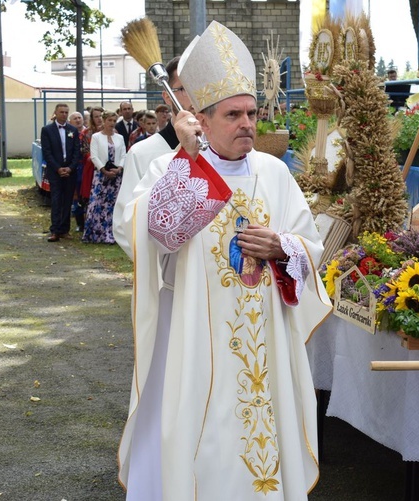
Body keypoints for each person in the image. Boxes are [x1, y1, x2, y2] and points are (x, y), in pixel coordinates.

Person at [114, 21, 331, 500]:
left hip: (266, 341)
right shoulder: (171, 167)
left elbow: (311, 247)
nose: (247, 124)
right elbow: (150, 235)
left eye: (252, 113)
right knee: (201, 437)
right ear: (202, 119)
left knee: (261, 436)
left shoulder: (275, 173)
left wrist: (282, 248)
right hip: (195, 337)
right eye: (233, 115)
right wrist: (188, 163)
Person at [113, 56, 191, 256]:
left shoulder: (222, 149)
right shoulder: (142, 153)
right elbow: (125, 225)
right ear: (167, 97)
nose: (195, 96)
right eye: (184, 89)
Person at [81, 110, 126, 244]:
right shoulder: (96, 137)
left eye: (114, 121)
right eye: (109, 121)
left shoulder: (120, 138)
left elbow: (124, 154)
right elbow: (94, 156)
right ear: (104, 121)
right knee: (97, 203)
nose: (112, 123)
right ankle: (95, 233)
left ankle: (113, 234)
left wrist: (119, 168)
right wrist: (103, 170)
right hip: (101, 175)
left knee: (113, 204)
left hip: (116, 175)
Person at [40, 103, 81, 242]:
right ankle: (55, 230)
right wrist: (58, 168)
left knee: (68, 200)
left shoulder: (73, 130)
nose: (63, 114)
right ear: (55, 113)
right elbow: (46, 152)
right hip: (55, 170)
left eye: (66, 112)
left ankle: (65, 229)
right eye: (61, 112)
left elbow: (77, 151)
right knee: (56, 200)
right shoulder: (47, 130)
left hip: (70, 170)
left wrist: (70, 168)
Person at [77, 106, 104, 231]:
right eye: (96, 116)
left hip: (108, 169)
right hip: (91, 170)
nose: (99, 119)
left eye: (101, 116)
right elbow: (84, 151)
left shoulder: (113, 132)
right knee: (89, 198)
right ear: (92, 118)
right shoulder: (86, 133)